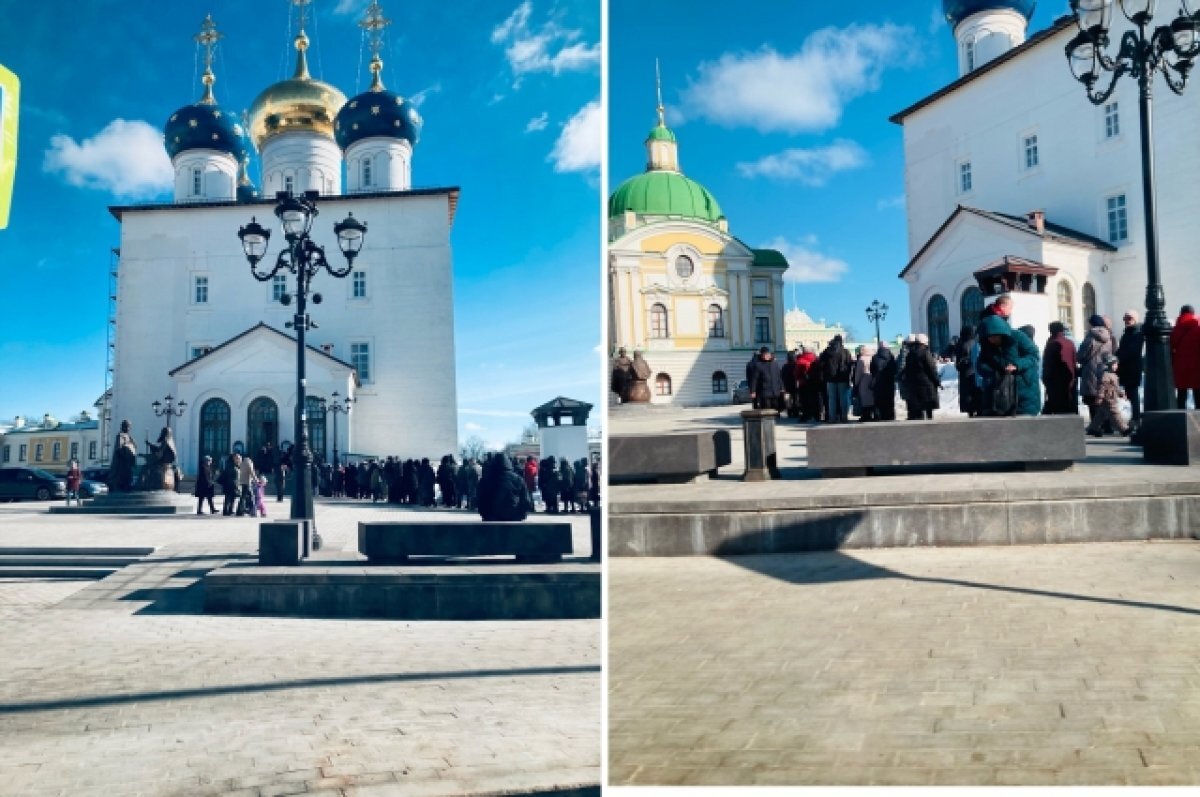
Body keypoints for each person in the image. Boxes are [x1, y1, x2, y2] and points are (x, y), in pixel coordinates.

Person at [978, 314, 1041, 416]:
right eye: (989, 337)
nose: (992, 340)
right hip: (1001, 393)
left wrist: (1017, 365)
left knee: (1025, 426)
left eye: (994, 336)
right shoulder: (986, 344)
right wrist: (994, 372)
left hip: (1024, 389)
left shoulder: (1018, 337)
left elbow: (1033, 355)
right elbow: (981, 364)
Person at [1077, 314, 1114, 424]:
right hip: (1104, 368)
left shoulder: (1091, 336)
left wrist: (1079, 358)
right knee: (1103, 397)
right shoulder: (1108, 337)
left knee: (1091, 398)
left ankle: (1095, 425)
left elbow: (1081, 355)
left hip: (1091, 369)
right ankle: (1107, 424)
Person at [477, 452, 533, 522]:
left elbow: (480, 499)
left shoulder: (486, 479)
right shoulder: (518, 479)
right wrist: (520, 515)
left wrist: (485, 514)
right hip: (513, 517)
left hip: (491, 517)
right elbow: (526, 501)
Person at [1086, 355, 1131, 437]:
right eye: (1115, 365)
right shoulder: (1106, 375)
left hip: (1111, 397)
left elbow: (1116, 387)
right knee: (1114, 413)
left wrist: (1121, 393)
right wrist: (1099, 397)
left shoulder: (1112, 375)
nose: (1116, 366)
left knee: (1101, 414)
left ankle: (1093, 428)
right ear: (1110, 365)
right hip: (1108, 398)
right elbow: (1102, 388)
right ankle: (1124, 429)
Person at [1042, 321, 1078, 414]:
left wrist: (1045, 379)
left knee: (1058, 408)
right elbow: (1074, 361)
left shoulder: (1052, 343)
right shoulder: (1070, 343)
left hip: (1055, 381)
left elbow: (1047, 364)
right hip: (1070, 378)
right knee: (1070, 406)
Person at [1116, 310, 1144, 426]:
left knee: (1133, 393)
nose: (1126, 321)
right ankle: (1134, 417)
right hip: (1125, 368)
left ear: (1135, 319)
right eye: (1125, 318)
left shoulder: (1137, 333)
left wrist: (1118, 357)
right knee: (1129, 393)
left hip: (1132, 368)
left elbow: (1132, 351)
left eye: (1129, 318)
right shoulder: (1127, 333)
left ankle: (1136, 417)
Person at [903, 334, 941, 420]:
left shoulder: (910, 354)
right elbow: (931, 369)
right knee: (928, 407)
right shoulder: (925, 353)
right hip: (927, 384)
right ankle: (930, 421)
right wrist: (937, 381)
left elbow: (907, 370)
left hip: (915, 384)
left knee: (919, 408)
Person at [1171, 304, 1200, 409]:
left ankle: (1180, 417)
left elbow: (1171, 348)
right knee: (1198, 393)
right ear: (1193, 314)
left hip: (1180, 366)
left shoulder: (1174, 330)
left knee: (1181, 394)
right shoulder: (1198, 329)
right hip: (1196, 367)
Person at [819, 335, 854, 423]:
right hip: (843, 378)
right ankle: (844, 417)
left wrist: (826, 373)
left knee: (831, 399)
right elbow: (850, 364)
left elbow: (821, 364)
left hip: (830, 378)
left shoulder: (827, 351)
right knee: (843, 398)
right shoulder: (845, 352)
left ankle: (832, 418)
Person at [953, 326, 981, 417]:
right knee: (976, 394)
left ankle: (970, 412)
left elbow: (958, 364)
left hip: (965, 374)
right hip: (975, 372)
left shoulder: (960, 344)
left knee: (967, 395)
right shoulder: (976, 343)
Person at [750, 347, 784, 411]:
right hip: (764, 392)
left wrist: (782, 388)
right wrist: (753, 391)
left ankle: (776, 419)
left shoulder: (775, 364)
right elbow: (754, 379)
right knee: (766, 409)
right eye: (765, 354)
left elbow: (779, 377)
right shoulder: (758, 365)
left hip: (775, 391)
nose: (767, 356)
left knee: (776, 410)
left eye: (768, 354)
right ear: (762, 355)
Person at [870, 343, 897, 421]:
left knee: (878, 401)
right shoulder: (891, 357)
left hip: (878, 383)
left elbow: (872, 370)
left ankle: (878, 416)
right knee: (889, 401)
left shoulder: (875, 357)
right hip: (890, 383)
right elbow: (894, 370)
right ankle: (890, 416)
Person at [852, 344, 876, 421]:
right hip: (872, 381)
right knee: (871, 399)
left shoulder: (861, 359)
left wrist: (856, 383)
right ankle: (871, 414)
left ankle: (865, 416)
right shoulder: (873, 358)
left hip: (863, 381)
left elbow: (858, 372)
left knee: (864, 399)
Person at [236, 451, 258, 517]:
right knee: (250, 497)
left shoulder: (242, 462)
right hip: (247, 482)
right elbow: (251, 471)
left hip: (242, 481)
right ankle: (252, 511)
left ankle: (240, 511)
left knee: (243, 497)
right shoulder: (248, 461)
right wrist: (256, 479)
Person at [781, 350, 799, 418]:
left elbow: (782, 376)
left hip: (787, 385)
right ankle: (795, 412)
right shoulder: (796, 365)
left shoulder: (785, 366)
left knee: (788, 399)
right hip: (795, 385)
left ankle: (789, 411)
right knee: (796, 398)